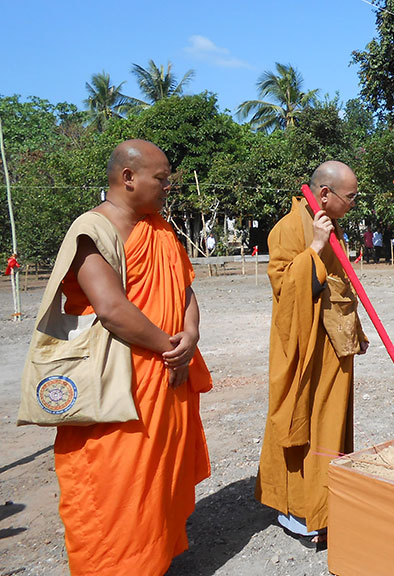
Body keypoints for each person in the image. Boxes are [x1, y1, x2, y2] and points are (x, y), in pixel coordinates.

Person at [47, 139, 212, 575]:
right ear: (128, 178)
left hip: (165, 380)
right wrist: (170, 347)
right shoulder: (91, 232)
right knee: (117, 488)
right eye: (161, 179)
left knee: (158, 484)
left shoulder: (161, 230)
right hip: (117, 388)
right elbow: (111, 308)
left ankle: (153, 559)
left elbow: (185, 289)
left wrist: (190, 335)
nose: (167, 188)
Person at [257, 160, 369, 547]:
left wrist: (354, 327)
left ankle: (327, 505)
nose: (354, 203)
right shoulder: (290, 228)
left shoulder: (327, 223)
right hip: (303, 349)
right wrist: (315, 249)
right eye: (350, 196)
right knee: (301, 421)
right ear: (325, 194)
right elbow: (286, 290)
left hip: (331, 343)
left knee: (331, 423)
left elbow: (337, 284)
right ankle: (300, 517)